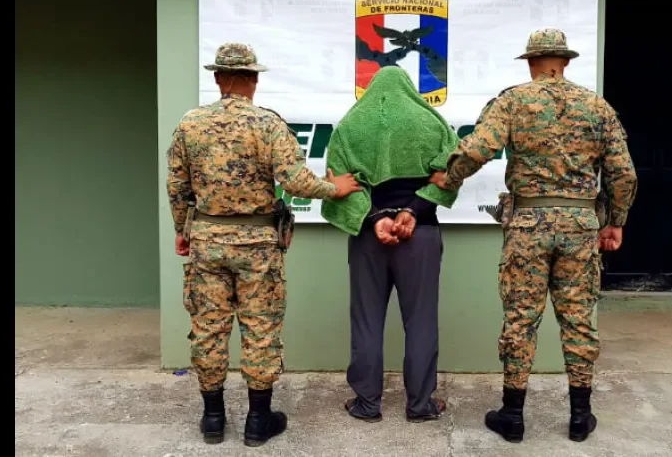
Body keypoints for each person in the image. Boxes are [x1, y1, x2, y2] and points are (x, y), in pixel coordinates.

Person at [431, 28, 637, 443]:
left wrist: (447, 178)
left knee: (520, 320)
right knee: (578, 320)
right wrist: (616, 221)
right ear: (566, 62)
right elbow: (623, 173)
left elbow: (476, 150)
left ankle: (513, 415)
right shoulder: (598, 107)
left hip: (528, 226)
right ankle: (580, 417)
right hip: (581, 228)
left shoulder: (513, 101)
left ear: (530, 62)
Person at [166, 42, 361, 447]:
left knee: (208, 329)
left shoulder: (190, 124)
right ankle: (257, 422)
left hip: (207, 241)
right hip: (257, 245)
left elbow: (177, 186)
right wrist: (335, 188)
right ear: (253, 80)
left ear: (218, 78)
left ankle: (213, 419)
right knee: (260, 329)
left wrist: (183, 230)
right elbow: (295, 180)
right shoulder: (268, 124)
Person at [320, 66, 461, 423]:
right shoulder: (433, 124)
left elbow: (340, 183)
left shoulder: (350, 126)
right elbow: (449, 175)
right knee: (422, 320)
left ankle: (367, 404)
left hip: (370, 237)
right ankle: (420, 406)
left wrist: (375, 218)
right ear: (410, 90)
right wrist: (413, 211)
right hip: (421, 234)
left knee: (366, 320)